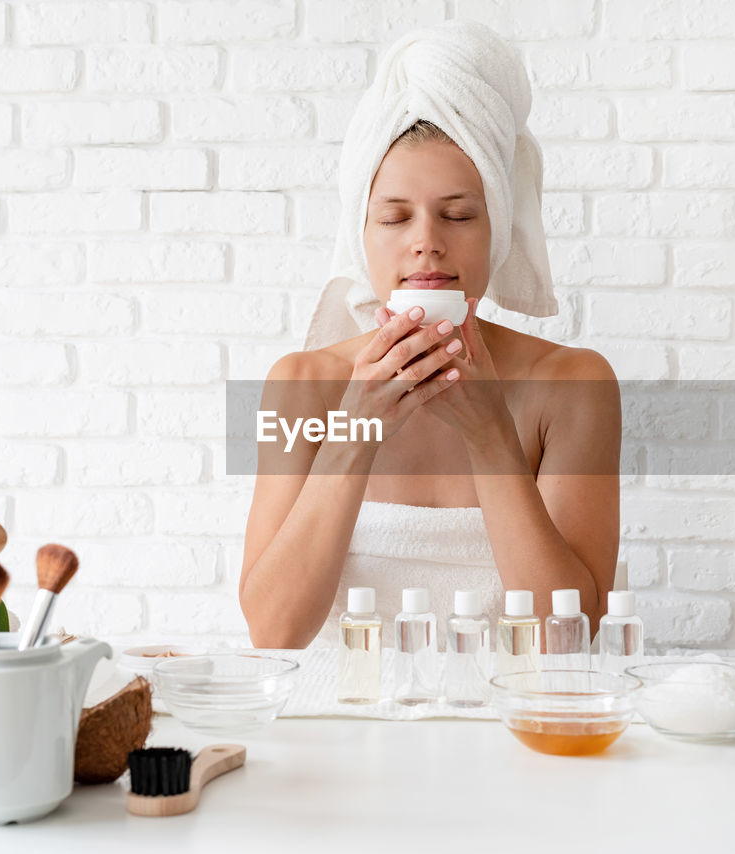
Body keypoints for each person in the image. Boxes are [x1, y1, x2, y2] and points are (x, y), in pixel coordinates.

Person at [239, 22, 620, 649]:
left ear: (496, 225)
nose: (427, 242)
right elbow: (275, 631)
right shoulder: (300, 387)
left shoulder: (573, 385)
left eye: (459, 214)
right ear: (361, 235)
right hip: (338, 731)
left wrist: (492, 434)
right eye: (394, 217)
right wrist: (352, 433)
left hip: (511, 731)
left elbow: (566, 637)